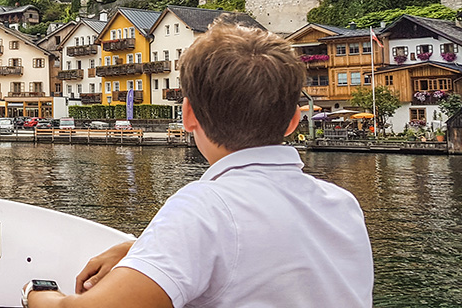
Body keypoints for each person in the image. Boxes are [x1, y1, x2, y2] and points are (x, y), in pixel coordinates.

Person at [25, 21, 373, 308]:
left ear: (188, 115)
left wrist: (38, 295)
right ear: (294, 121)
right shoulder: (343, 206)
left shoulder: (204, 208)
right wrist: (141, 248)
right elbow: (267, 247)